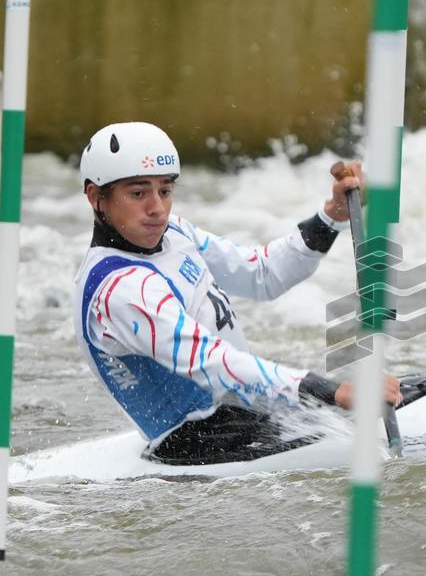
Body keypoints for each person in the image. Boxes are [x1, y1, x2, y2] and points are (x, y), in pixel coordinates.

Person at [72, 121, 402, 465]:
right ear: (97, 198)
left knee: (415, 391)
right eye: (138, 193)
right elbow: (214, 362)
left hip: (244, 413)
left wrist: (332, 216)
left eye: (165, 190)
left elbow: (262, 273)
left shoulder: (174, 233)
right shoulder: (120, 290)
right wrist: (332, 392)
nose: (157, 208)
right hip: (196, 442)